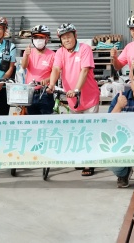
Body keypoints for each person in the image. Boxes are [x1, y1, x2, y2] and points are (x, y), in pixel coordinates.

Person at [48, 23, 101, 176]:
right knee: (77, 131)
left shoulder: (84, 49)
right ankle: (82, 157)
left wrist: (77, 89)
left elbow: (85, 70)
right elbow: (56, 69)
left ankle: (89, 163)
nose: (67, 40)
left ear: (75, 36)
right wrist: (51, 84)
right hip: (72, 99)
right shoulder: (60, 52)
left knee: (90, 131)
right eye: (63, 38)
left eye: (69, 37)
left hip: (88, 97)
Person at [20, 24, 56, 114]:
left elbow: (56, 73)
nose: (38, 40)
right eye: (35, 37)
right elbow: (24, 66)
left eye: (41, 37)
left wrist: (47, 80)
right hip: (30, 92)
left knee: (46, 121)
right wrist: (26, 55)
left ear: (47, 39)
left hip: (45, 92)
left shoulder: (52, 55)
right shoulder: (28, 52)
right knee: (31, 121)